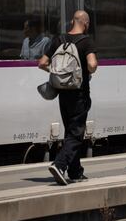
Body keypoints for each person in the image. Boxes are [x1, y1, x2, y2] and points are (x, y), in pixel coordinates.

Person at [39, 10, 97, 185]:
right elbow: (92, 65)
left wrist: (58, 75)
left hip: (62, 94)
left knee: (70, 131)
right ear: (86, 24)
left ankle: (75, 172)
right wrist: (87, 71)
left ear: (73, 21)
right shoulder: (86, 41)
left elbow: (42, 62)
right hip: (79, 93)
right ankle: (59, 164)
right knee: (77, 133)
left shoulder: (58, 40)